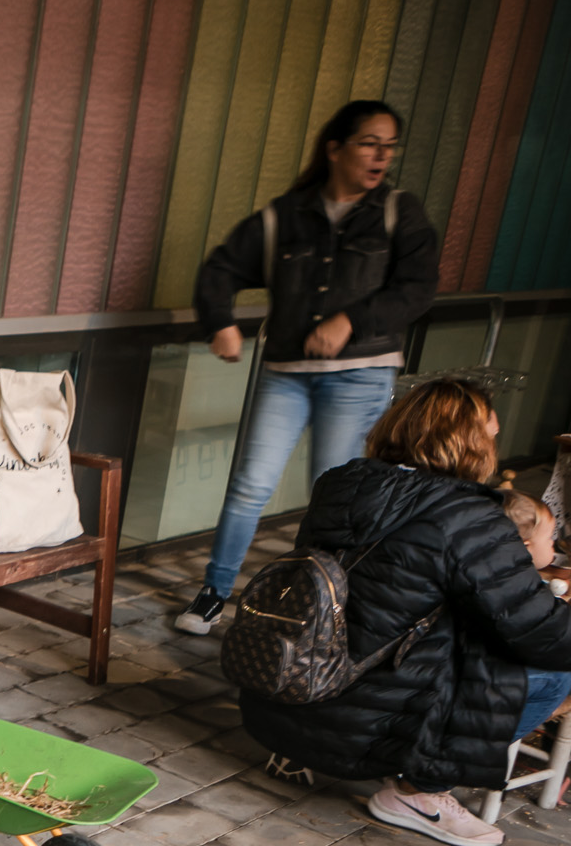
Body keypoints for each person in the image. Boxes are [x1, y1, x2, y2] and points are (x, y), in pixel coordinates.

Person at [242, 379, 571, 846]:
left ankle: (306, 747)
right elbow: (540, 633)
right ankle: (417, 792)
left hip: (294, 681)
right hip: (370, 717)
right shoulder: (470, 516)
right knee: (553, 677)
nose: (495, 443)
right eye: (490, 434)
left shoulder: (341, 483)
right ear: (467, 441)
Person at [177, 100, 439, 636]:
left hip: (361, 372)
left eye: (390, 146)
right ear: (335, 149)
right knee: (250, 485)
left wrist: (351, 320)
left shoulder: (398, 212)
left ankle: (309, 606)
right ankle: (214, 592)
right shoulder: (285, 216)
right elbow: (221, 267)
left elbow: (418, 287)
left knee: (331, 494)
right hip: (287, 372)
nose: (381, 156)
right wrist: (219, 321)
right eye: (370, 143)